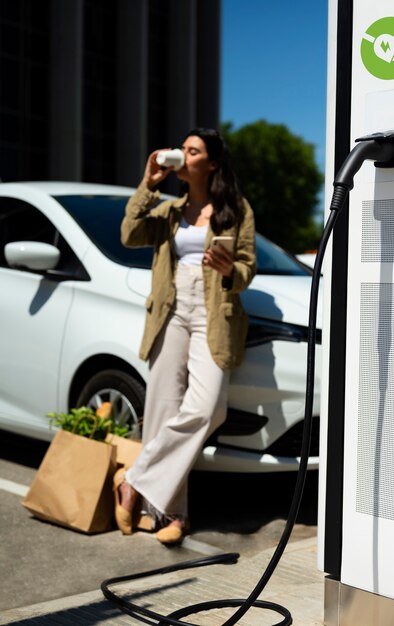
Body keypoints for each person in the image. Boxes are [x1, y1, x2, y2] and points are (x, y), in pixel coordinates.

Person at [114, 127, 256, 544]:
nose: (182, 155)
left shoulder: (236, 209)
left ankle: (133, 480)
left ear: (211, 163)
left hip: (214, 313)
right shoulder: (170, 211)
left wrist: (231, 271)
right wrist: (147, 185)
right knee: (162, 408)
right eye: (182, 149)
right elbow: (129, 233)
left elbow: (248, 268)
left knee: (209, 407)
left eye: (192, 150)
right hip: (171, 311)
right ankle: (172, 514)